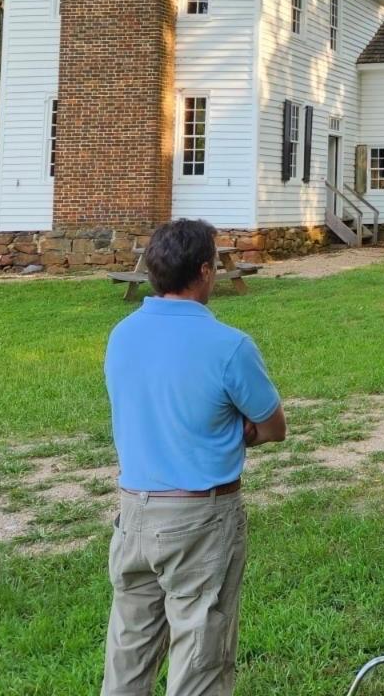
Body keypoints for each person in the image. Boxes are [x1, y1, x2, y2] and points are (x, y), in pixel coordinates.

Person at [102, 219, 286, 696]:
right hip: (200, 516)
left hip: (133, 513)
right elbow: (273, 427)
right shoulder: (229, 346)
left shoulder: (122, 335)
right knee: (200, 660)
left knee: (128, 656)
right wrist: (242, 432)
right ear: (205, 271)